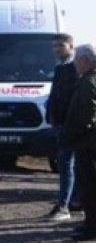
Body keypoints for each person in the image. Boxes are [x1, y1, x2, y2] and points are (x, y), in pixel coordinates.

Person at [62, 43, 96, 242]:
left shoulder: (88, 82)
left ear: (85, 60)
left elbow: (85, 115)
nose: (75, 64)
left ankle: (91, 227)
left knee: (89, 187)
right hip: (88, 142)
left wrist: (70, 136)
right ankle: (89, 224)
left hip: (87, 143)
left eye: (77, 60)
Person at [45, 34, 80, 221]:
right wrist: (49, 113)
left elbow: (74, 99)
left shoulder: (76, 68)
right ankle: (73, 201)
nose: (57, 49)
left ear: (71, 46)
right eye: (54, 46)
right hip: (59, 122)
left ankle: (64, 206)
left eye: (61, 45)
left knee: (67, 164)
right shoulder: (60, 67)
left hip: (71, 124)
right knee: (69, 164)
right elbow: (56, 95)